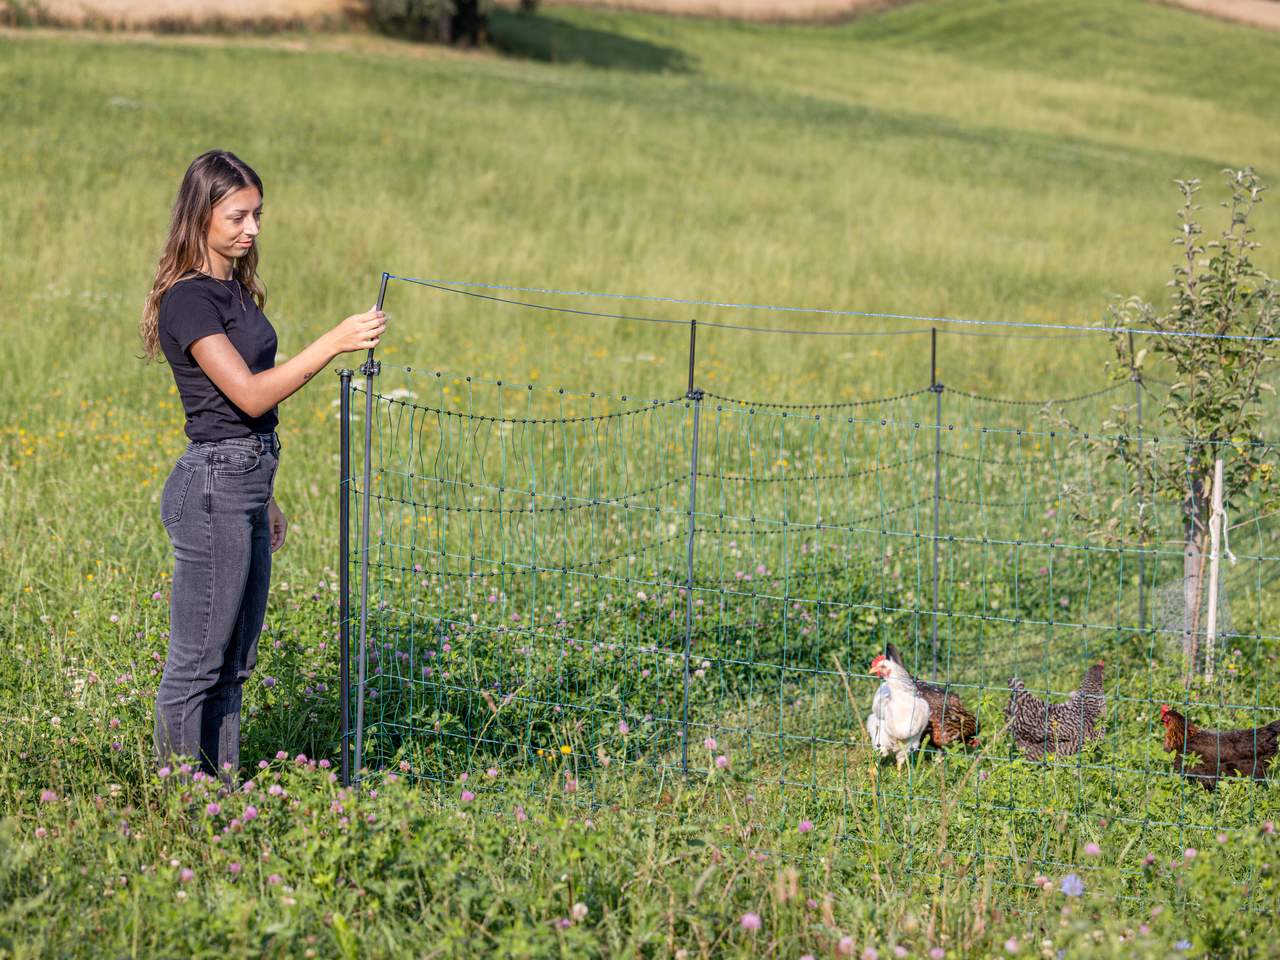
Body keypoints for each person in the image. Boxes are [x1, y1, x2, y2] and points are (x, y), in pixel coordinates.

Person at [138, 149, 386, 781]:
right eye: (237, 217)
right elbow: (247, 395)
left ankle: (219, 793)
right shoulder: (190, 301)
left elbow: (244, 419)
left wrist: (266, 495)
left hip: (244, 482)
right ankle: (178, 805)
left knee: (235, 664)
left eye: (258, 215)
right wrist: (332, 342)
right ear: (201, 215)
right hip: (214, 487)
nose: (251, 230)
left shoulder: (235, 290)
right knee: (197, 664)